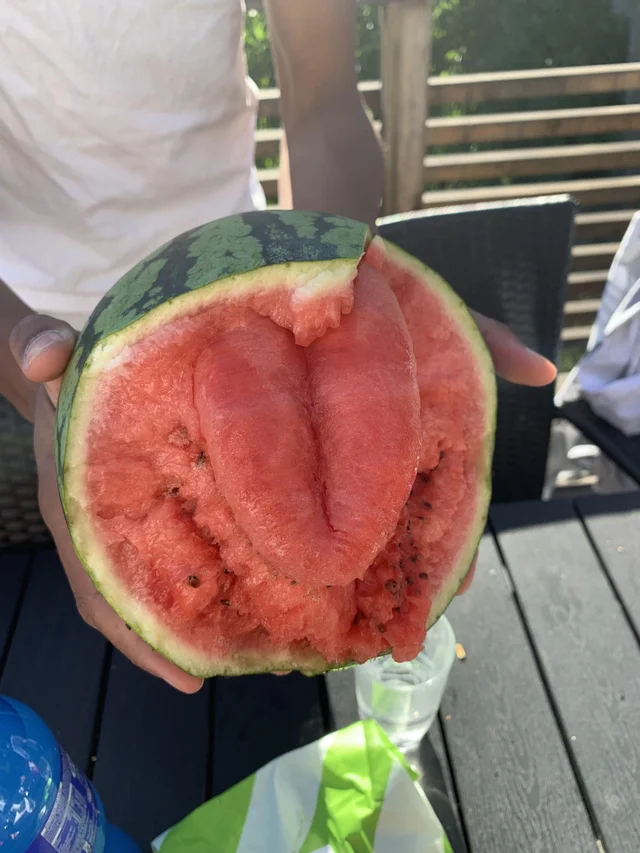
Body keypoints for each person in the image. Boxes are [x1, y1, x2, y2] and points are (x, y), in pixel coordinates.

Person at [0, 0, 556, 694]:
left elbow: (322, 99)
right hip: (32, 326)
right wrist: (26, 364)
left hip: (262, 288)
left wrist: (340, 294)